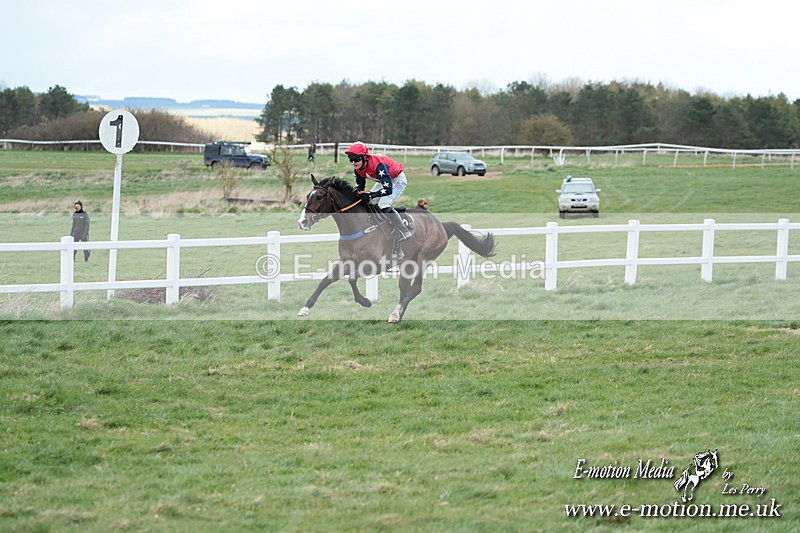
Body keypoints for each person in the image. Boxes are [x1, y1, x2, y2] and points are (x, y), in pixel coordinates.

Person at [345, 142, 413, 246]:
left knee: (383, 204)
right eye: (351, 159)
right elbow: (360, 188)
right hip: (384, 180)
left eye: (356, 159)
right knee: (370, 202)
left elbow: (388, 190)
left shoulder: (379, 166)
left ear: (364, 157)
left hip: (397, 180)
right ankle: (380, 224)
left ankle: (404, 230)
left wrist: (370, 194)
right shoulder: (358, 170)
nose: (353, 162)